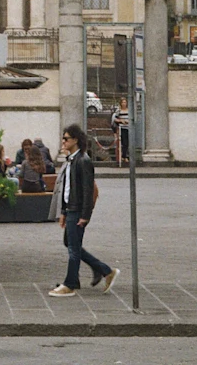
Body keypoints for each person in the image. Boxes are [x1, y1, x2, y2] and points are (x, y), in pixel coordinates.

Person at [49, 125, 118, 298]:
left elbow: (88, 190)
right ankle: (103, 270)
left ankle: (70, 284)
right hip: (71, 209)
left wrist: (85, 215)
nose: (63, 141)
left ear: (75, 140)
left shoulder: (83, 160)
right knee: (71, 243)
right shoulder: (71, 160)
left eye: (66, 138)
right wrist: (64, 212)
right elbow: (67, 189)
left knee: (73, 247)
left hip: (78, 210)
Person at [111, 98, 130, 165]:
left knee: (127, 143)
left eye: (125, 102)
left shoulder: (129, 110)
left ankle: (124, 156)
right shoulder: (119, 111)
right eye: (123, 102)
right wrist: (121, 121)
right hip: (122, 128)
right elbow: (115, 119)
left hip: (128, 128)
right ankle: (123, 156)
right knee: (124, 143)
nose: (124, 104)